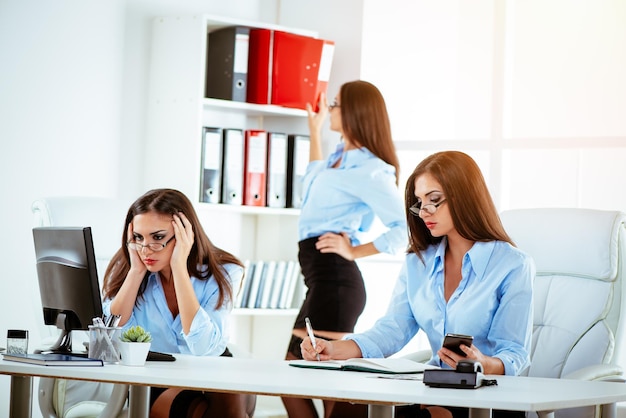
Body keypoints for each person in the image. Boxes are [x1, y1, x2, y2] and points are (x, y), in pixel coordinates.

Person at [300, 151, 535, 418]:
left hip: (494, 398)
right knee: (350, 409)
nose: (424, 212)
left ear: (465, 197)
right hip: (436, 390)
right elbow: (393, 328)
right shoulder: (418, 263)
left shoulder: (512, 265)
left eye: (434, 200)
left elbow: (514, 352)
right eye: (419, 202)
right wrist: (334, 349)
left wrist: (483, 364)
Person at [282, 80, 408, 417]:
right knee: (294, 377)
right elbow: (311, 178)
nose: (331, 108)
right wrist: (315, 129)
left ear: (355, 111)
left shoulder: (371, 171)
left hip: (335, 281)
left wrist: (354, 251)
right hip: (319, 281)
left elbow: (404, 228)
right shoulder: (337, 158)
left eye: (336, 104)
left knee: (319, 382)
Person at [101, 188, 255, 418]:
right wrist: (135, 272)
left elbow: (205, 348)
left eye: (158, 238)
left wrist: (179, 268)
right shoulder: (129, 268)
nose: (146, 249)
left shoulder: (225, 272)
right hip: (157, 378)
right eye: (139, 238)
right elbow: (109, 336)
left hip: (212, 367)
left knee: (230, 393)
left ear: (185, 234)